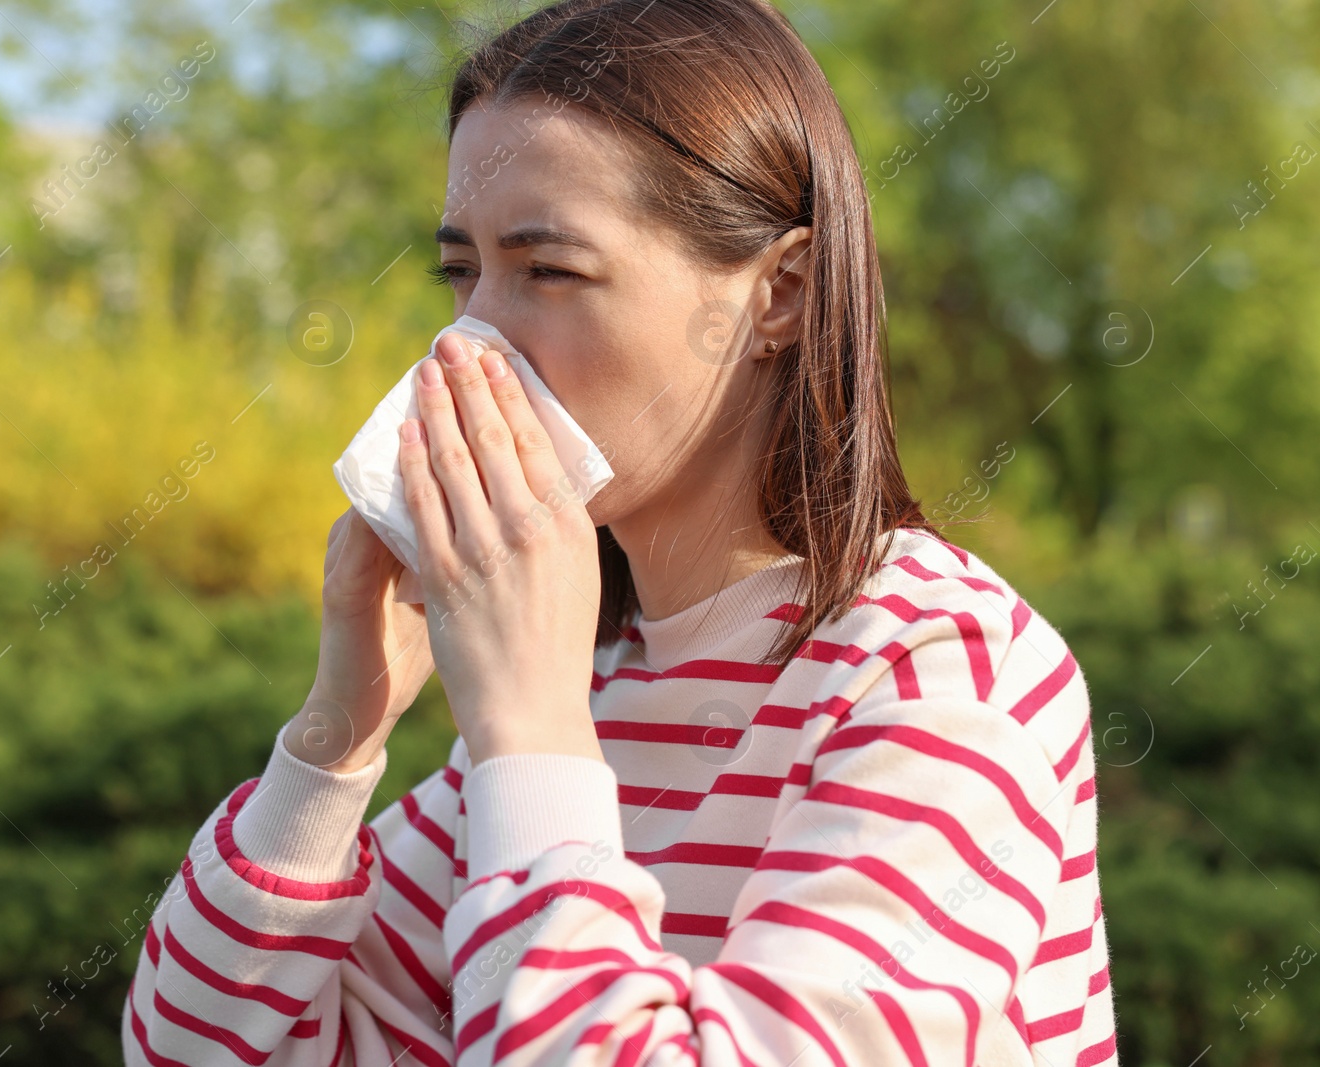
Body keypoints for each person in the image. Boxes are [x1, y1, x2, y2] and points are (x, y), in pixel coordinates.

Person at [121, 0, 1117, 1062]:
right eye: (460, 273)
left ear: (778, 293)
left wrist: (533, 735)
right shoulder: (583, 691)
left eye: (547, 272)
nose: (467, 346)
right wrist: (335, 735)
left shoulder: (936, 672)